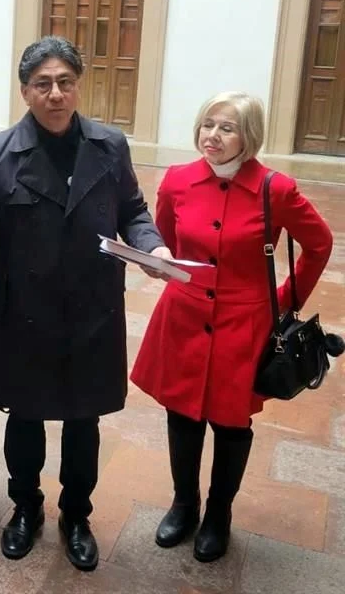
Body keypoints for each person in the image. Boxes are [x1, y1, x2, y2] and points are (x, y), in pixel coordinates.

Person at [0, 35, 169, 571]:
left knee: (83, 422)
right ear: (25, 91)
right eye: (43, 84)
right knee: (25, 418)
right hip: (25, 313)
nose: (55, 93)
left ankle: (77, 515)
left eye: (65, 82)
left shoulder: (109, 145)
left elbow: (133, 210)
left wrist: (152, 247)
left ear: (78, 86)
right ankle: (25, 507)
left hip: (92, 310)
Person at [131, 91, 333, 562]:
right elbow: (165, 240)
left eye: (227, 128)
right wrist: (157, 264)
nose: (213, 136)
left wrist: (285, 300)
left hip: (244, 324)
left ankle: (218, 514)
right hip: (184, 315)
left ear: (250, 136)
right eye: (208, 124)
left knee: (231, 420)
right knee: (182, 413)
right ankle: (184, 504)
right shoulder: (177, 180)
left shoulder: (275, 189)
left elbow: (319, 244)